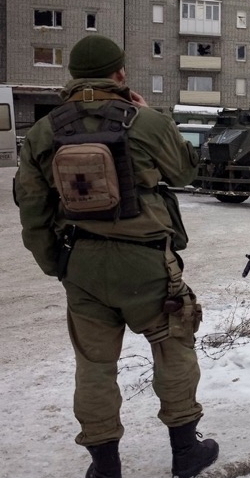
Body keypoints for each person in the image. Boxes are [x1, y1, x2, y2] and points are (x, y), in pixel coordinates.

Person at [14, 35, 219, 478]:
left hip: (82, 262)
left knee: (94, 365)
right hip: (146, 262)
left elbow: (32, 207)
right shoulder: (144, 120)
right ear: (120, 73)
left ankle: (104, 466)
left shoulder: (44, 131)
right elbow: (185, 171)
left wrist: (56, 263)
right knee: (172, 348)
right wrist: (150, 115)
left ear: (72, 76)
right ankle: (186, 451)